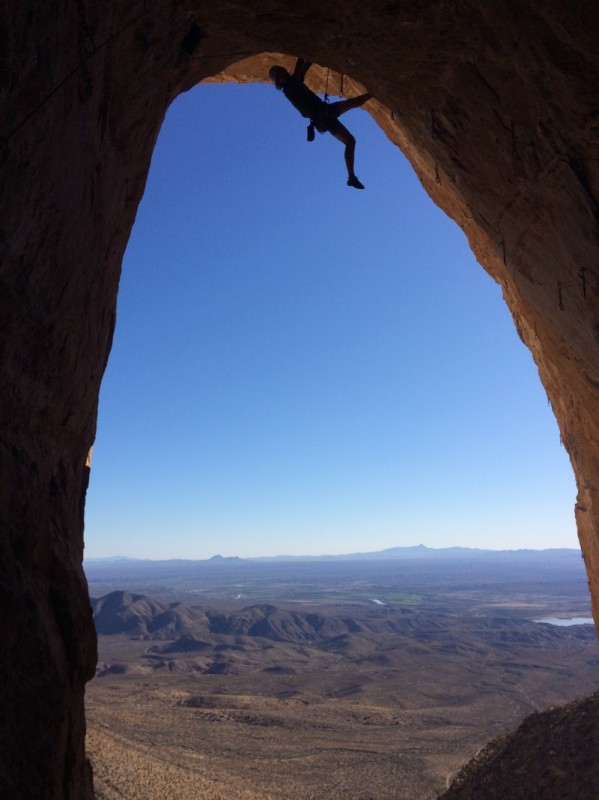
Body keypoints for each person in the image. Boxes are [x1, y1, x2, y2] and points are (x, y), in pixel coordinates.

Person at [269, 59, 372, 189]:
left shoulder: (293, 84)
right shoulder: (290, 87)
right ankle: (351, 177)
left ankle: (372, 94)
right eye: (281, 74)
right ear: (280, 81)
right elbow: (301, 65)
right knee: (350, 138)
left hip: (324, 114)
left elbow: (302, 69)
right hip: (323, 116)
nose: (284, 73)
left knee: (351, 126)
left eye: (282, 71)